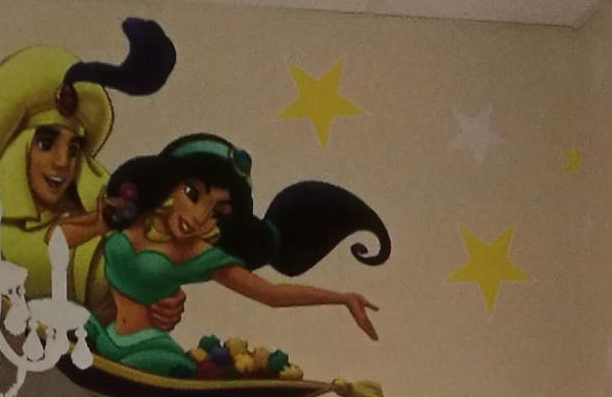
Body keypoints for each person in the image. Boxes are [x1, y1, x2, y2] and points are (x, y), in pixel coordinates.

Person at [84, 133, 388, 378]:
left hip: (146, 351)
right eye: (192, 194)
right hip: (106, 334)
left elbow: (271, 294)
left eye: (218, 211)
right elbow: (68, 235)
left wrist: (342, 298)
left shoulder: (201, 255)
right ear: (170, 183)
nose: (199, 217)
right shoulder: (133, 215)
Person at [0, 18, 177, 303]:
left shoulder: (95, 224)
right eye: (46, 144)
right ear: (18, 150)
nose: (63, 162)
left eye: (74, 149)